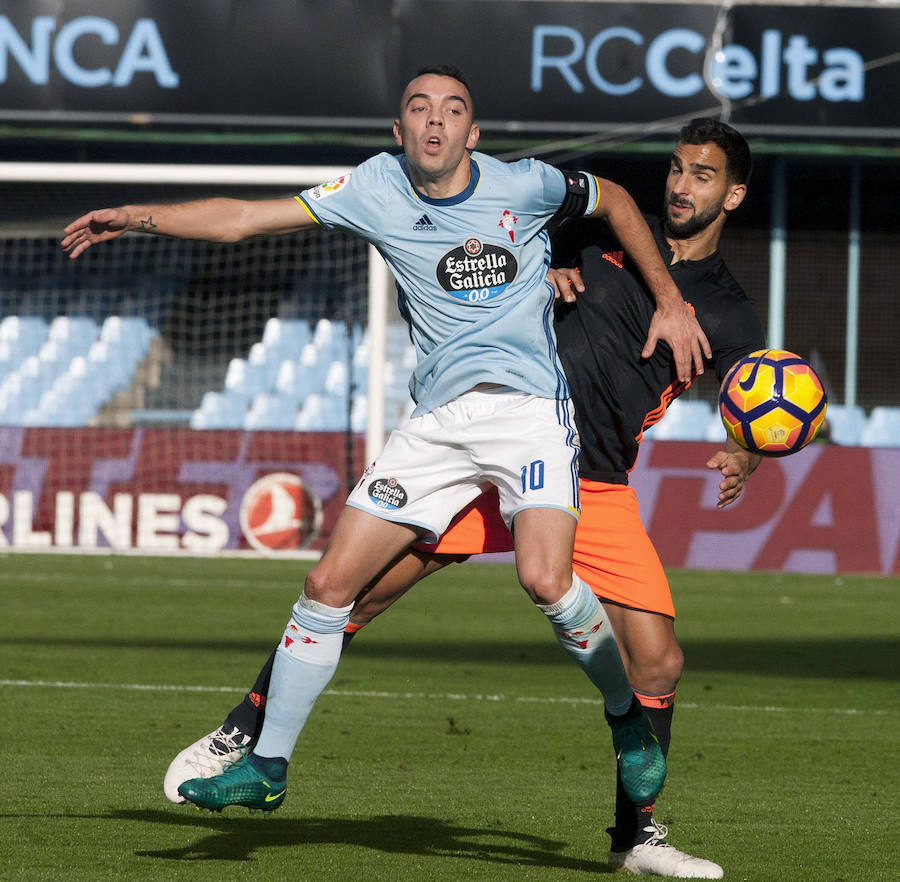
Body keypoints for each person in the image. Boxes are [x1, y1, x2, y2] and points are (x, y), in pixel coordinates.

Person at [63, 66, 710, 819]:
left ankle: (626, 720)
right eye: (419, 109)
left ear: (474, 133)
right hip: (434, 427)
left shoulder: (526, 184)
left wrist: (669, 301)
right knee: (327, 589)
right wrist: (138, 216)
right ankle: (267, 765)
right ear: (398, 132)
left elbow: (618, 199)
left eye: (453, 110)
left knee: (544, 579)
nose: (436, 121)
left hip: (528, 412)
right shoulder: (374, 188)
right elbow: (242, 218)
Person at [162, 118, 764, 878]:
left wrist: (746, 452)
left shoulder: (730, 309)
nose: (681, 186)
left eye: (702, 176)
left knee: (660, 664)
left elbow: (758, 395)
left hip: (595, 482)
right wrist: (539, 277)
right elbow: (496, 253)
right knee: (362, 594)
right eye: (676, 169)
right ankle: (241, 730)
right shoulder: (601, 236)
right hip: (492, 456)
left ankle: (635, 840)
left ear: (733, 194)